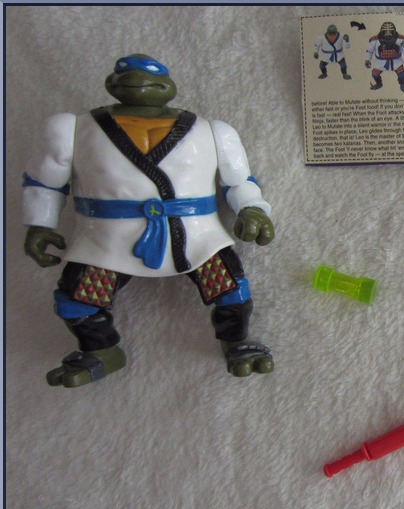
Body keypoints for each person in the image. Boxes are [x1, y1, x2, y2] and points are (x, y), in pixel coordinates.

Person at [22, 54, 276, 387]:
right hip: (106, 238)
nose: (139, 82)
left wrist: (251, 209)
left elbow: (238, 181)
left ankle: (236, 341)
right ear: (112, 84)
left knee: (232, 289)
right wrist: (40, 223)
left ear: (168, 86)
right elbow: (46, 181)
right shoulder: (72, 129)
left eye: (152, 79)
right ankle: (101, 350)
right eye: (128, 76)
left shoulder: (212, 132)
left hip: (197, 235)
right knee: (75, 300)